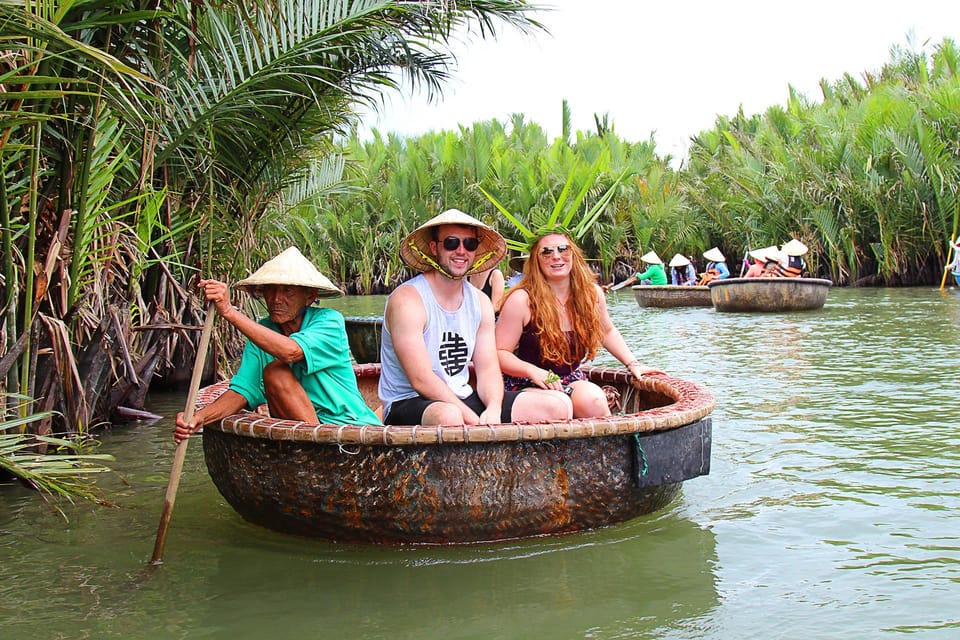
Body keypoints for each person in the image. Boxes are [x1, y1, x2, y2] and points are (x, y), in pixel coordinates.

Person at [378, 209, 571, 426]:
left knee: (557, 406)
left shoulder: (479, 302)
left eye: (469, 244)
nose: (461, 251)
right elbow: (421, 379)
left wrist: (494, 409)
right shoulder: (408, 300)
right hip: (410, 401)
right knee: (449, 416)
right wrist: (474, 420)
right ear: (434, 248)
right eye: (451, 243)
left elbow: (488, 369)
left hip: (462, 398)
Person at [174, 247, 380, 442]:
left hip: (350, 427)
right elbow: (244, 390)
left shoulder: (329, 322)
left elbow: (290, 352)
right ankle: (312, 448)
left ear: (310, 296)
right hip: (303, 432)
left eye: (287, 291)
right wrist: (198, 418)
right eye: (270, 290)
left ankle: (318, 449)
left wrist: (229, 312)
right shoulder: (263, 331)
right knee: (275, 374)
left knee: (275, 371)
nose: (276, 299)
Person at [496, 232, 664, 419]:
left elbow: (606, 331)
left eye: (563, 249)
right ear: (536, 261)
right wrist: (533, 371)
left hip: (569, 378)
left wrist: (632, 363)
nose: (556, 256)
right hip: (525, 381)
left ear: (573, 254)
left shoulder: (591, 294)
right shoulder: (521, 300)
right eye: (546, 252)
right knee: (560, 404)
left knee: (594, 400)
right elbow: (499, 353)